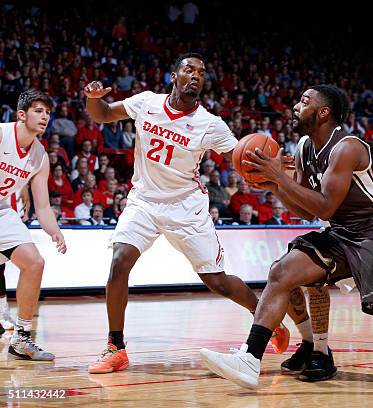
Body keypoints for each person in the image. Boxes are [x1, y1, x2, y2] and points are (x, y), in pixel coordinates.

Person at [200, 85, 373, 394]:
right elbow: (304, 209)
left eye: (304, 101)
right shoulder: (305, 147)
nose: (297, 106)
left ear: (323, 112)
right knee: (281, 272)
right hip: (341, 231)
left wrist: (280, 178)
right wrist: (274, 186)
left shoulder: (348, 148)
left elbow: (324, 206)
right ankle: (250, 358)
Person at [83, 53, 289, 374]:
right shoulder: (146, 102)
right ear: (173, 76)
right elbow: (104, 114)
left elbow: (243, 158)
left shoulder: (210, 124)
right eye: (188, 69)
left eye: (202, 72)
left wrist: (272, 167)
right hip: (145, 202)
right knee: (119, 260)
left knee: (217, 282)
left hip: (186, 208)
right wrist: (93, 99)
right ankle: (116, 346)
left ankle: (268, 321)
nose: (196, 75)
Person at [0, 89, 67, 360]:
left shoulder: (40, 156)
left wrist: (54, 230)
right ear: (21, 114)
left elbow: (41, 206)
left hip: (2, 210)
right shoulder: (2, 134)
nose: (44, 117)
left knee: (34, 263)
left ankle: (22, 338)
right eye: (38, 111)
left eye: (48, 112)